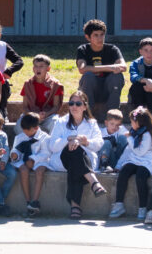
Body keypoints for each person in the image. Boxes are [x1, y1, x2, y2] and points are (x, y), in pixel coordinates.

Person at [44, 90, 107, 220]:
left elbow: (99, 143)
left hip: (86, 159)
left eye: (78, 103)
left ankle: (75, 206)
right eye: (71, 103)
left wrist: (86, 142)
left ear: (85, 106)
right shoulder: (61, 122)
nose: (74, 106)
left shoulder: (91, 123)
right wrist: (69, 139)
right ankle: (94, 182)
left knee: (76, 157)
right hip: (62, 160)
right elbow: (52, 146)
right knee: (73, 150)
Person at [108, 106, 152, 221]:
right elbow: (128, 151)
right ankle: (119, 204)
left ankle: (143, 207)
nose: (131, 123)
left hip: (148, 160)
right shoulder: (135, 132)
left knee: (141, 176)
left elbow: (141, 151)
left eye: (132, 121)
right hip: (135, 159)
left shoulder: (147, 134)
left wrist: (130, 138)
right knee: (124, 172)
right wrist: (118, 166)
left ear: (139, 122)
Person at [75, 19, 126, 121]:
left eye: (102, 34)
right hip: (90, 89)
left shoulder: (112, 49)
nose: (100, 38)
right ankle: (88, 116)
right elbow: (82, 69)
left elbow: (123, 66)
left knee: (117, 76)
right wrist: (109, 68)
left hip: (108, 88)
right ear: (88, 37)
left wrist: (114, 68)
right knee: (88, 76)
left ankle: (112, 117)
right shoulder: (83, 49)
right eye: (96, 35)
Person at [11, 112, 52, 217]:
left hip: (39, 160)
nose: (25, 133)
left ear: (36, 128)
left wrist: (33, 159)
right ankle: (28, 201)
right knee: (23, 170)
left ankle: (35, 200)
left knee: (40, 171)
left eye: (27, 131)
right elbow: (15, 150)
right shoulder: (20, 137)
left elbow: (46, 153)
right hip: (23, 160)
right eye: (23, 130)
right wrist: (15, 155)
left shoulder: (45, 137)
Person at [18, 54, 63, 133]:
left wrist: (46, 114)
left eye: (41, 66)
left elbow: (56, 106)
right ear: (33, 68)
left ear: (48, 68)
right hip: (31, 115)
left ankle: (49, 144)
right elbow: (24, 106)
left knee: (55, 122)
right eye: (36, 66)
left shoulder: (55, 85)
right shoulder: (28, 84)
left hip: (48, 116)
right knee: (19, 125)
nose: (38, 69)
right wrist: (33, 115)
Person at [127, 38, 152, 121]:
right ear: (140, 51)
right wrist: (146, 80)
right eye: (146, 50)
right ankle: (138, 116)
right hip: (140, 92)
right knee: (137, 86)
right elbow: (133, 77)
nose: (149, 53)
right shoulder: (135, 63)